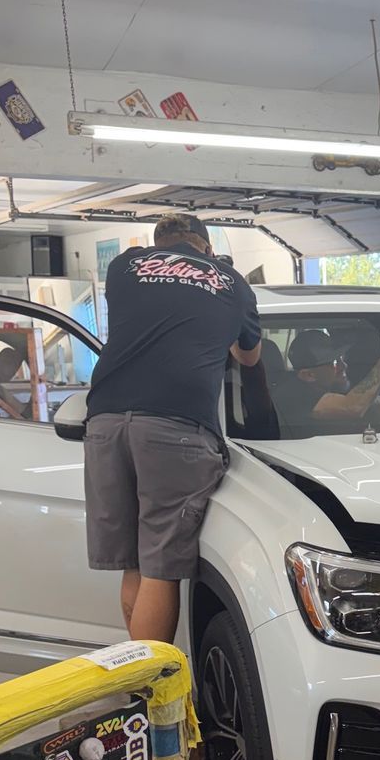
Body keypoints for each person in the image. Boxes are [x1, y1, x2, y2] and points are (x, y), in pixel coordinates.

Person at [83, 213, 261, 643]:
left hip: (106, 423)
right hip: (176, 428)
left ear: (155, 242)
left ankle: (139, 688)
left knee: (135, 566)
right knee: (161, 570)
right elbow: (249, 357)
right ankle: (157, 697)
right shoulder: (232, 282)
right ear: (207, 245)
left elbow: (144, 314)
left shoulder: (124, 267)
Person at [269, 328, 380, 426]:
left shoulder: (339, 387)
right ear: (308, 375)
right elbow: (352, 407)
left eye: (342, 358)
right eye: (335, 362)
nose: (344, 366)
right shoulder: (292, 395)